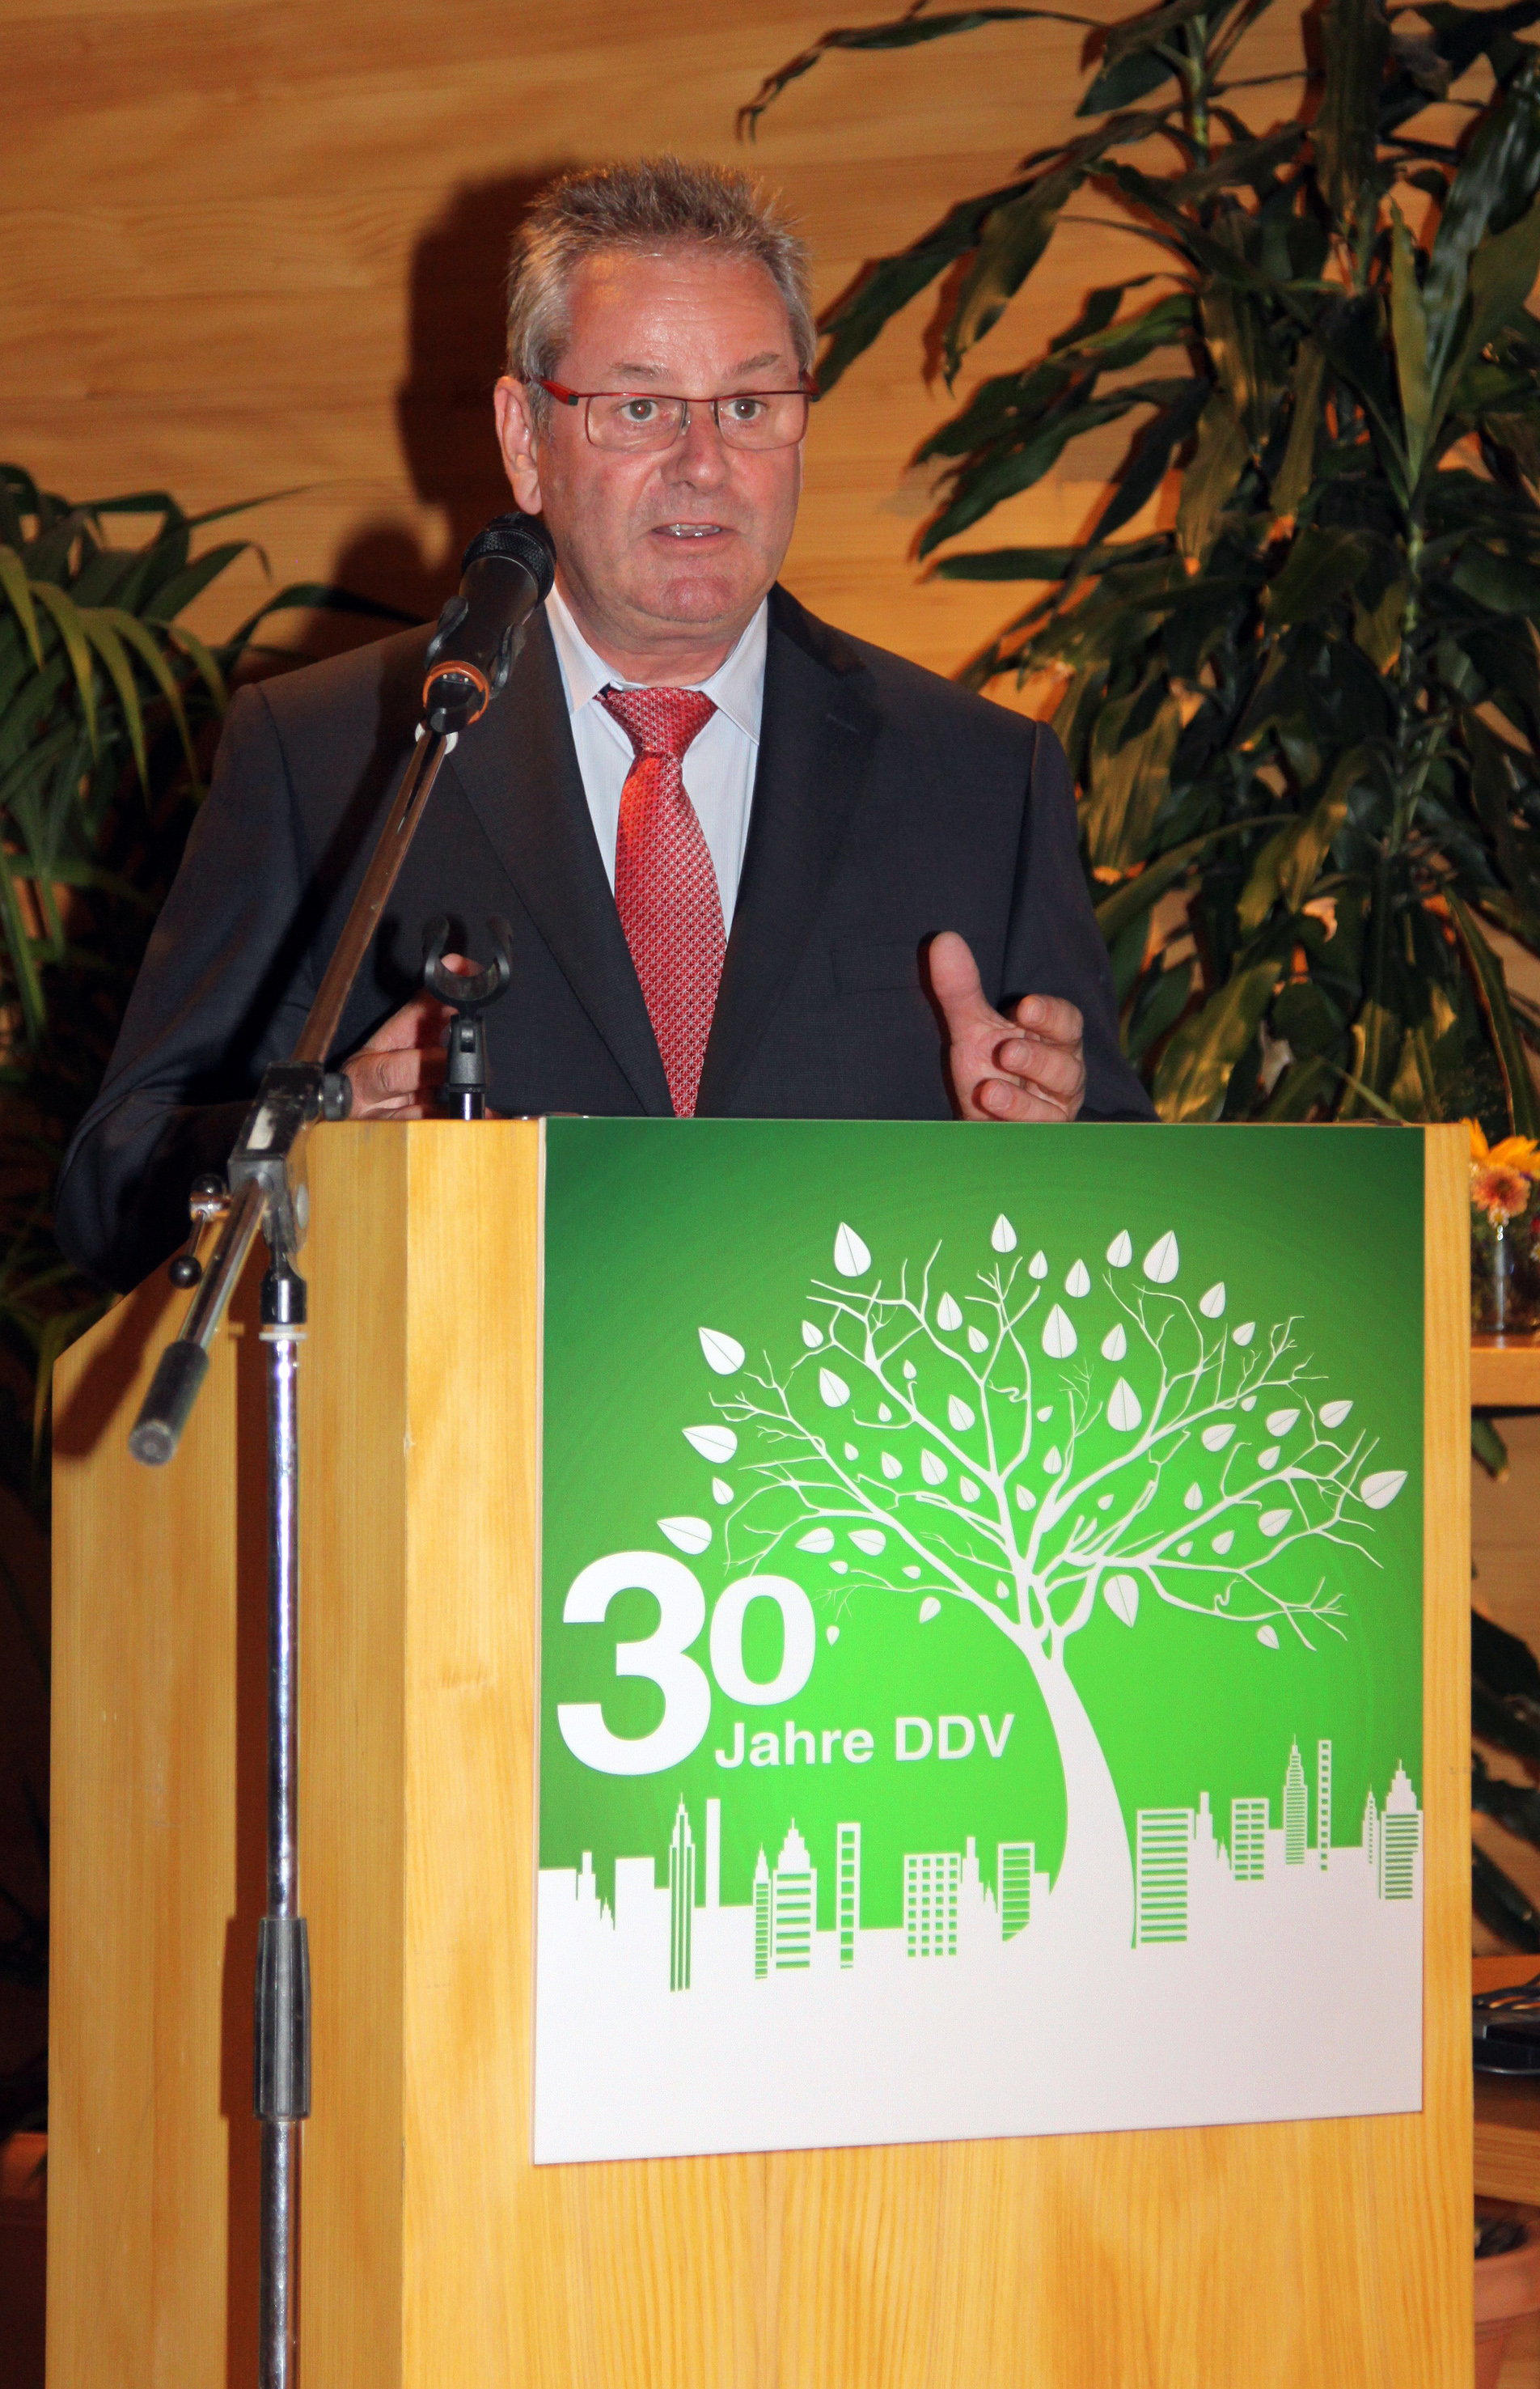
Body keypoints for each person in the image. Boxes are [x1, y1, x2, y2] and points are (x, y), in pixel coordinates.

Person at [56, 159, 1153, 1294]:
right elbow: (112, 1188)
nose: (705, 465)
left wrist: (1049, 1146)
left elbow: (1130, 1223)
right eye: (640, 408)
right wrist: (319, 1147)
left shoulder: (982, 777)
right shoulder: (336, 755)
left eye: (749, 406)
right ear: (525, 438)